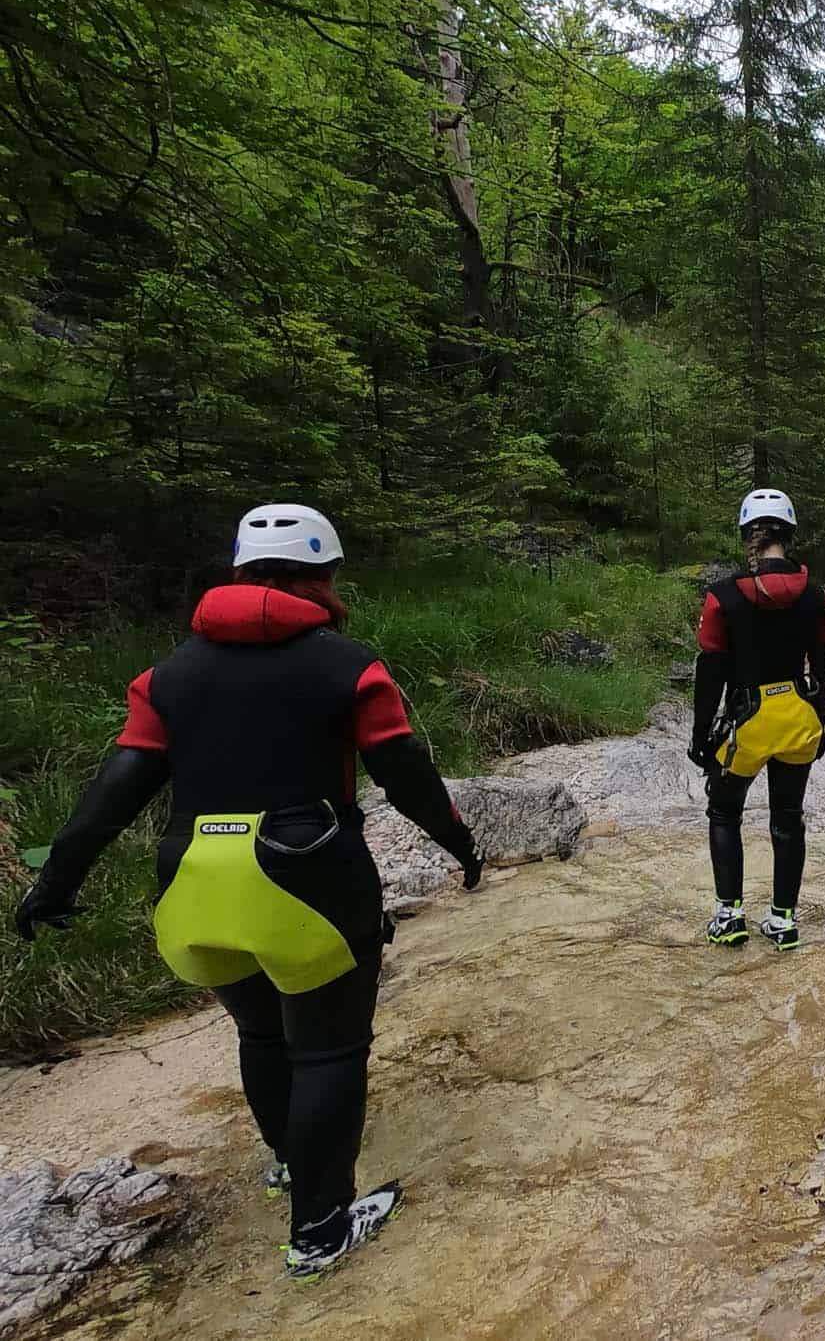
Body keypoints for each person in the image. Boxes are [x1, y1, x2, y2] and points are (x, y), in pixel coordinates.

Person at [12, 505, 487, 1278]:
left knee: (262, 1035)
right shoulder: (350, 666)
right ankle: (323, 1227)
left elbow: (116, 789)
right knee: (329, 1048)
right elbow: (405, 775)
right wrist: (462, 844)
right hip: (309, 875)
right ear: (326, 577)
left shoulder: (167, 675)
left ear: (237, 571)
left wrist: (55, 881)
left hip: (195, 886)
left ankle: (288, 1166)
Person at [689, 489, 825, 952]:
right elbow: (822, 669)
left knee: (724, 812)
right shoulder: (815, 599)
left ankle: (730, 917)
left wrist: (700, 737)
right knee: (788, 819)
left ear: (749, 535)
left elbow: (710, 669)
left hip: (747, 720)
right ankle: (784, 921)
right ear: (788, 535)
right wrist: (822, 727)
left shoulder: (724, 596)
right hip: (798, 717)